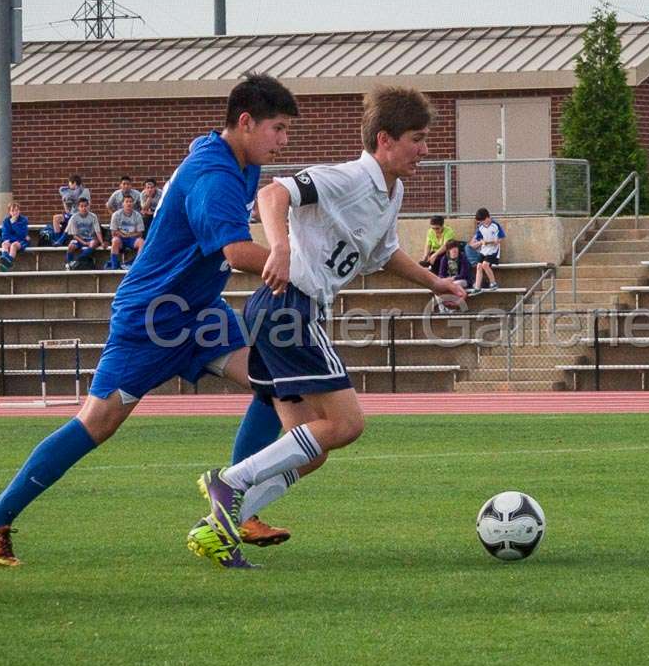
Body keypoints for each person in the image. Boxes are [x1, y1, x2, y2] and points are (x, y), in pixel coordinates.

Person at [0, 73, 299, 567]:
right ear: (245, 122)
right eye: (279, 128)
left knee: (274, 380)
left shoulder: (233, 158)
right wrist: (295, 264)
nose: (285, 140)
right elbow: (234, 249)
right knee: (95, 424)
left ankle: (237, 507)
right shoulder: (216, 175)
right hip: (152, 318)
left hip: (200, 313)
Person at [191, 85, 468, 568]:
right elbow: (272, 193)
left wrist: (434, 283)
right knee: (347, 424)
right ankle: (230, 482)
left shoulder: (392, 190)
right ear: (385, 139)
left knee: (311, 451)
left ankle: (218, 526)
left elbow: (383, 254)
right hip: (290, 306)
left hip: (284, 310)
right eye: (417, 139)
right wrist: (278, 248)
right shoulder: (348, 179)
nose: (425, 151)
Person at [468, 207, 505, 295]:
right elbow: (479, 238)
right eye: (481, 222)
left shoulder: (495, 225)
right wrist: (482, 242)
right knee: (479, 266)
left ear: (488, 217)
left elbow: (501, 237)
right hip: (484, 249)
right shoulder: (480, 227)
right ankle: (477, 287)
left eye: (484, 221)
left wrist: (497, 241)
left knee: (485, 265)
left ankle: (493, 283)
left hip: (493, 250)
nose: (483, 223)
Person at [107, 194, 145, 269]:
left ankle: (136, 266)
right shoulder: (116, 215)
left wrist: (129, 235)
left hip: (132, 239)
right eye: (126, 201)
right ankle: (114, 267)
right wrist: (122, 235)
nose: (129, 203)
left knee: (141, 242)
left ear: (133, 204)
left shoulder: (137, 215)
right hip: (120, 239)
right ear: (123, 204)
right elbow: (113, 232)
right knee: (115, 240)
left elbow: (140, 233)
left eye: (130, 202)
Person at [48, 175, 89, 245]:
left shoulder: (84, 191)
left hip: (81, 215)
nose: (68, 185)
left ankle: (61, 240)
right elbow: (67, 211)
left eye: (69, 183)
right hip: (71, 214)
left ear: (74, 183)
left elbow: (85, 206)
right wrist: (64, 199)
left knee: (72, 218)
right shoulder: (70, 193)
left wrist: (68, 196)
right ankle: (57, 240)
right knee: (56, 218)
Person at [63, 196, 103, 269]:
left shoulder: (93, 216)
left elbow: (98, 231)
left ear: (88, 206)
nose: (84, 208)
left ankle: (77, 260)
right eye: (81, 206)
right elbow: (74, 235)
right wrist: (84, 243)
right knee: (71, 246)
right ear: (78, 207)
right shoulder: (74, 217)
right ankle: (68, 264)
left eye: (85, 206)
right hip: (79, 239)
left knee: (94, 243)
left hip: (90, 238)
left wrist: (102, 242)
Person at [434, 240, 471, 312]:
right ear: (448, 250)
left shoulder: (463, 257)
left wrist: (452, 279)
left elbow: (464, 274)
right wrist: (445, 280)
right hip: (449, 280)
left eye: (456, 247)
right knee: (437, 289)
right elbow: (441, 274)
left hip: (463, 280)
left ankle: (451, 308)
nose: (454, 249)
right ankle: (443, 309)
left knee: (453, 285)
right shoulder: (444, 258)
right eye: (452, 248)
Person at [0, 201, 29, 272]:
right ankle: (5, 260)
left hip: (21, 241)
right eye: (13, 211)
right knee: (4, 243)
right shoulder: (6, 221)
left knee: (13, 245)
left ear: (19, 211)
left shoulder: (23, 220)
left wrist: (14, 223)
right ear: (9, 212)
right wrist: (9, 239)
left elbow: (22, 234)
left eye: (17, 210)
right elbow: (5, 234)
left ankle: (8, 262)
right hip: (11, 240)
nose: (15, 212)